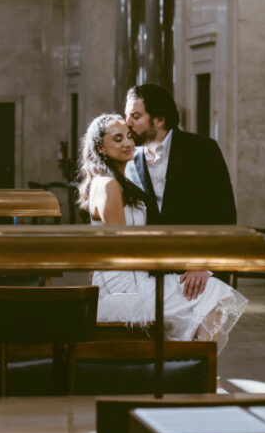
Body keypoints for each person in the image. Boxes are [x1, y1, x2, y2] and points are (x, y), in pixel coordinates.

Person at [77, 113, 247, 349]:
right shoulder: (109, 185)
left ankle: (195, 367)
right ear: (100, 148)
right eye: (117, 139)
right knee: (215, 293)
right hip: (123, 287)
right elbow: (123, 246)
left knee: (208, 290)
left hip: (131, 277)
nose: (127, 143)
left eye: (128, 136)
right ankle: (199, 370)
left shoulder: (115, 180)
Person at [125, 82, 237, 300]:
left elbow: (224, 213)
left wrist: (203, 265)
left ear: (159, 120)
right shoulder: (130, 158)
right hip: (152, 275)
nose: (127, 123)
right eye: (126, 115)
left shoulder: (203, 150)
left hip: (197, 273)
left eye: (135, 116)